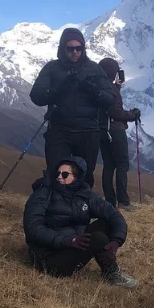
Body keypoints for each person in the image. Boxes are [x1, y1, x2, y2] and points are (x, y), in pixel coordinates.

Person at [23, 156, 138, 288]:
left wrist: (117, 241)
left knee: (106, 223)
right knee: (98, 238)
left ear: (76, 177)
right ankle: (111, 273)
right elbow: (33, 228)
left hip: (72, 245)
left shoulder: (85, 195)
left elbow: (113, 214)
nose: (59, 177)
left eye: (65, 174)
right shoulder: (43, 193)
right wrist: (67, 240)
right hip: (48, 257)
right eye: (58, 173)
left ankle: (109, 271)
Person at [29, 28, 115, 188]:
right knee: (57, 174)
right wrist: (58, 90)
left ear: (83, 48)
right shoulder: (52, 69)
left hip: (88, 133)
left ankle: (81, 211)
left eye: (78, 48)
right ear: (62, 48)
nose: (75, 52)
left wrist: (94, 91)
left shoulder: (95, 70)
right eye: (70, 48)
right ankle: (56, 211)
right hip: (59, 132)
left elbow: (110, 100)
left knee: (84, 176)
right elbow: (36, 96)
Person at [97, 58, 141, 210]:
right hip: (115, 131)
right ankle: (123, 201)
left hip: (102, 130)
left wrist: (118, 86)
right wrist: (132, 115)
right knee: (122, 164)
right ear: (112, 72)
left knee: (108, 165)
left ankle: (110, 201)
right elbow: (115, 112)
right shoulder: (111, 88)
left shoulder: (101, 86)